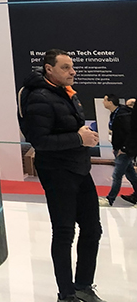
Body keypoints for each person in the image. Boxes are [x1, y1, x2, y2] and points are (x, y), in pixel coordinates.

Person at [19, 50, 105, 302]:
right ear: (49, 69)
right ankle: (66, 294)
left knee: (93, 229)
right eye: (65, 67)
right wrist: (78, 138)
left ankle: (83, 286)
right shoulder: (38, 97)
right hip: (57, 172)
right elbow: (39, 141)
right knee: (64, 232)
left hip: (80, 168)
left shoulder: (66, 93)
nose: (72, 71)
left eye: (72, 66)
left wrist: (83, 136)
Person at [100, 94, 136, 207]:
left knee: (117, 175)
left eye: (105, 100)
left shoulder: (123, 115)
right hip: (120, 149)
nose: (103, 102)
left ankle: (110, 199)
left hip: (125, 150)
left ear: (110, 102)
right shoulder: (116, 114)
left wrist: (124, 148)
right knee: (131, 175)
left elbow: (130, 133)